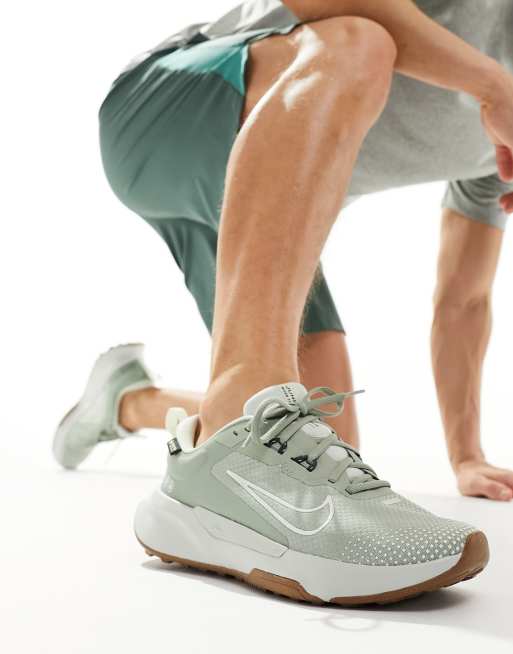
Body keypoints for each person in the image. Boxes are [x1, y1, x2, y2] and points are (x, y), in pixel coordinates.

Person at [54, 1, 513, 603]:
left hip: (256, 202)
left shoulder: (496, 144)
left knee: (307, 453)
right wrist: (491, 83)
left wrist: (467, 455)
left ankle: (126, 403)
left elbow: (464, 300)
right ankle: (214, 444)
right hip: (168, 112)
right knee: (358, 42)